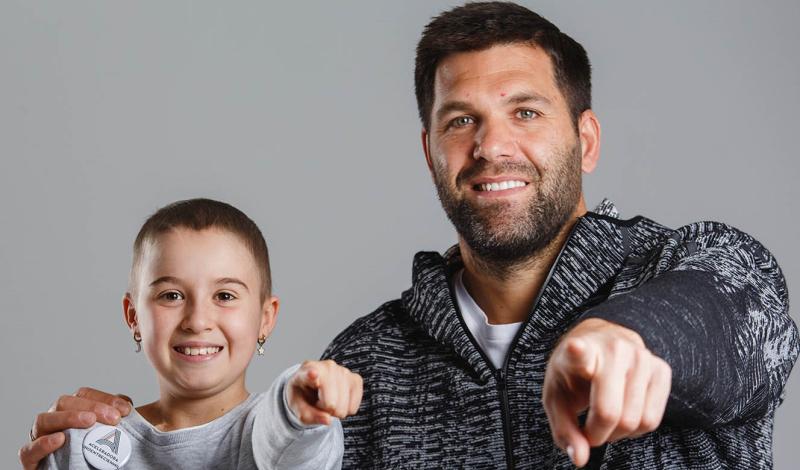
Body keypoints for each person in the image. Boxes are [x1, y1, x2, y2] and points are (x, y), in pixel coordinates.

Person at [20, 3, 799, 469]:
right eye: (461, 121)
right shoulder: (366, 362)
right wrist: (142, 442)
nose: (492, 147)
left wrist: (631, 336)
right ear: (429, 151)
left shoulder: (698, 268)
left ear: (585, 139)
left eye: (525, 112)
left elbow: (741, 323)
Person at [37, 198, 362, 469]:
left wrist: (298, 403)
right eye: (171, 296)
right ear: (133, 316)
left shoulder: (282, 428)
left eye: (224, 296)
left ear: (265, 318)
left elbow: (292, 445)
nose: (197, 320)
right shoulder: (88, 442)